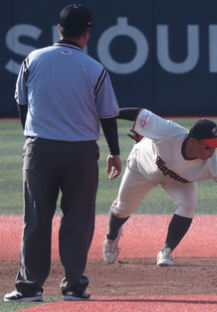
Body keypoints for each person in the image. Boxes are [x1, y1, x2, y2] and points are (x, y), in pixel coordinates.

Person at [4, 4, 122, 302]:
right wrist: (115, 152)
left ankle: (30, 287)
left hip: (40, 148)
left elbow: (21, 103)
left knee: (36, 218)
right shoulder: (95, 68)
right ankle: (73, 285)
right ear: (87, 32)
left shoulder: (33, 59)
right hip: (81, 152)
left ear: (59, 29)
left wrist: (32, 136)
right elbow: (108, 115)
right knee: (78, 219)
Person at [102, 108, 217, 266]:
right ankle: (111, 239)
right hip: (142, 168)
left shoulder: (212, 163)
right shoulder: (168, 132)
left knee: (188, 205)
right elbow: (137, 114)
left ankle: (166, 250)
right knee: (122, 209)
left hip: (178, 181)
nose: (212, 152)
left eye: (215, 146)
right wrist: (106, 112)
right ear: (193, 141)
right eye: (208, 147)